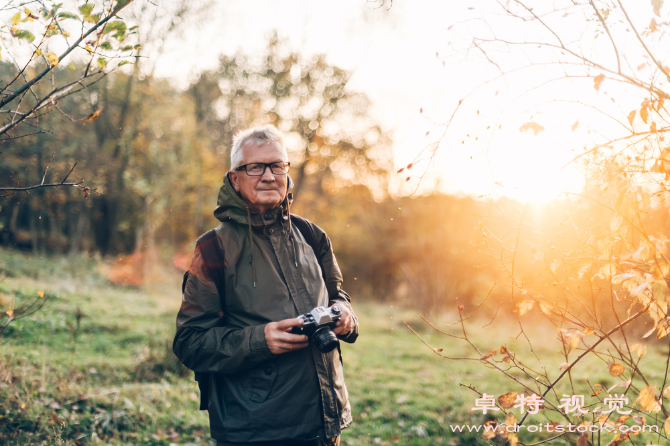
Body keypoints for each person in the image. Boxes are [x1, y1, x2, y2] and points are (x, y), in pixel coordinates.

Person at [173, 125, 359, 446]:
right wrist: (260, 340)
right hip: (255, 431)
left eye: (277, 165)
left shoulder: (312, 236)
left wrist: (345, 315)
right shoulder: (213, 249)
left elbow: (338, 295)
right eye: (255, 167)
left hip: (325, 423)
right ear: (235, 178)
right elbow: (190, 342)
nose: (269, 176)